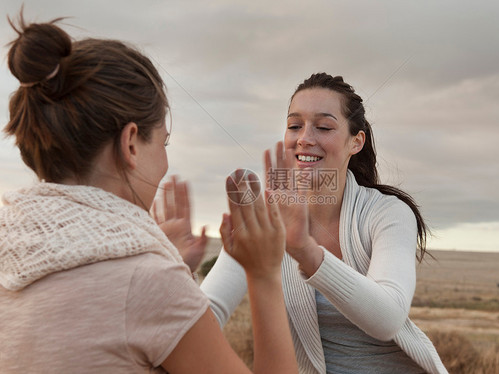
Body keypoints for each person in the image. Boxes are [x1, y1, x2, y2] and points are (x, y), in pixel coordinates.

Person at [0, 14, 298, 374]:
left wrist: (170, 266)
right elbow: (134, 303)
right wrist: (264, 275)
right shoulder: (145, 280)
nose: (166, 162)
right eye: (163, 141)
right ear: (130, 145)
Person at [200, 73, 448, 373]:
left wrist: (305, 249)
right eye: (294, 126)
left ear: (355, 142)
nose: (305, 138)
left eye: (324, 127)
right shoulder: (264, 220)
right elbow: (205, 316)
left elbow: (389, 318)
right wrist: (171, 266)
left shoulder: (387, 213)